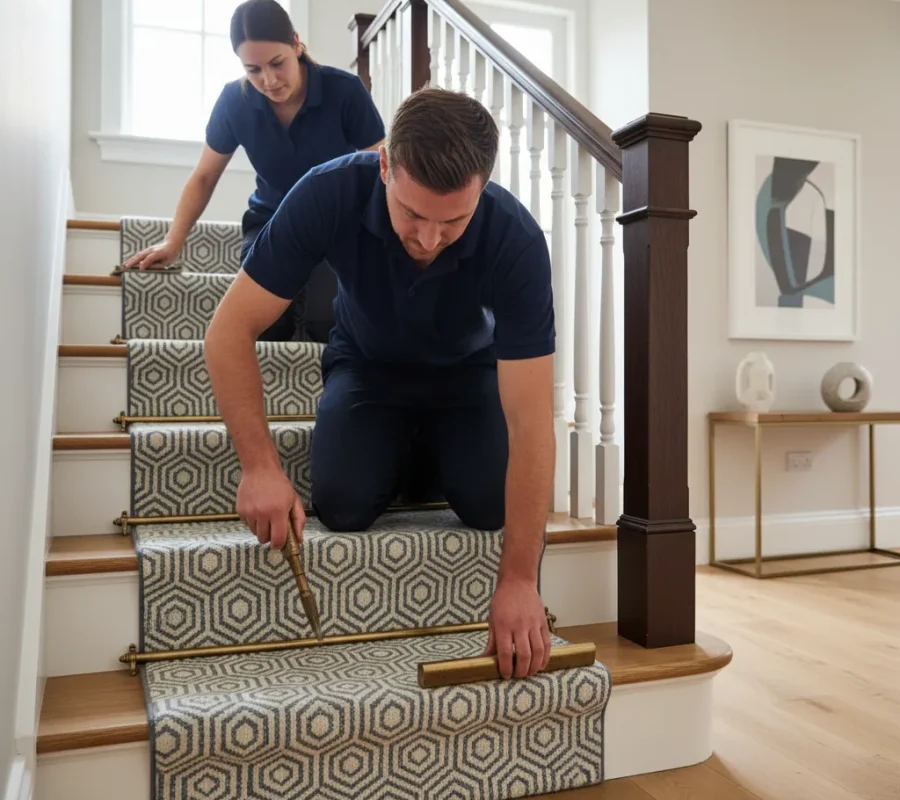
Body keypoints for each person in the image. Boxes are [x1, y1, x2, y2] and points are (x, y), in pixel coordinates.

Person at [204, 87, 556, 680]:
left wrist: (521, 579)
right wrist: (259, 465)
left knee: (490, 506)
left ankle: (423, 446)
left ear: (483, 187)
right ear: (385, 164)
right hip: (367, 364)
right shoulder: (326, 190)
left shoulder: (516, 240)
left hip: (467, 376)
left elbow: (530, 423)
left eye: (453, 222)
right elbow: (227, 331)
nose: (427, 239)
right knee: (341, 506)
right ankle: (404, 445)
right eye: (413, 214)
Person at [123, 0, 385, 341]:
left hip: (336, 225)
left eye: (277, 63)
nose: (269, 80)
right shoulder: (234, 101)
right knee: (265, 324)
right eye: (254, 69)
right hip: (270, 222)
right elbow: (204, 177)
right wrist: (174, 240)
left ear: (296, 43)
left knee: (330, 320)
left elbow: (381, 172)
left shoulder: (345, 90)